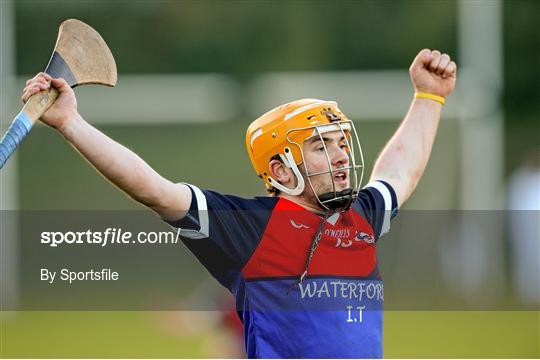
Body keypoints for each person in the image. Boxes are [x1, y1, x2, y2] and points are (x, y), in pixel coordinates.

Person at [22, 48, 457, 358]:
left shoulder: (361, 218)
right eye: (322, 147)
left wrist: (429, 97)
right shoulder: (249, 227)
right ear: (282, 171)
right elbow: (154, 189)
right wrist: (71, 124)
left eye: (342, 142)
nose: (342, 155)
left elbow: (400, 172)